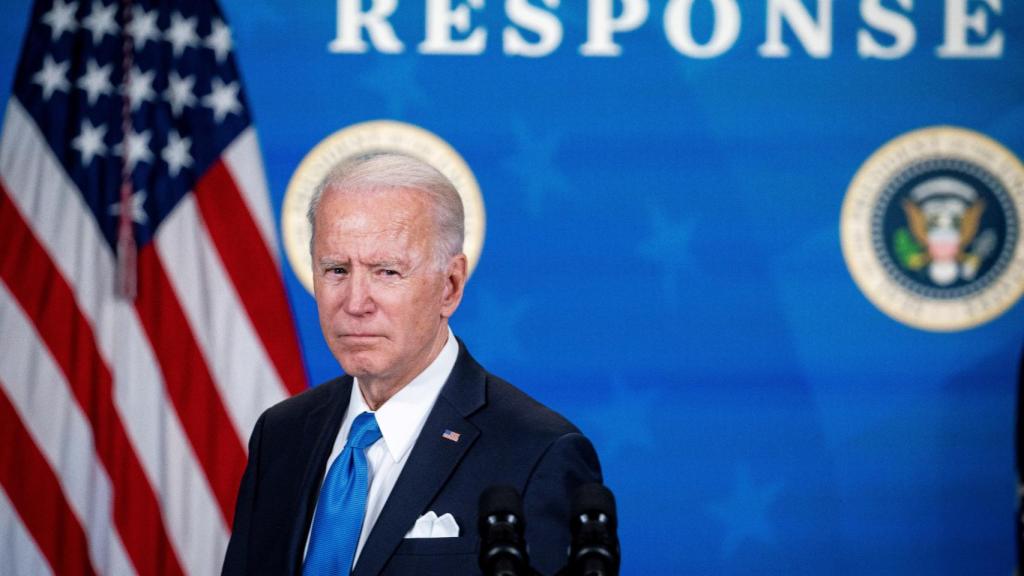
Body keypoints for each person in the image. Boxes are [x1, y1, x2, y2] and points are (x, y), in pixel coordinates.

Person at [222, 153, 602, 576]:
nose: (354, 303)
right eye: (335, 269)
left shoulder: (537, 452)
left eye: (386, 271)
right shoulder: (281, 434)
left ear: (450, 286)